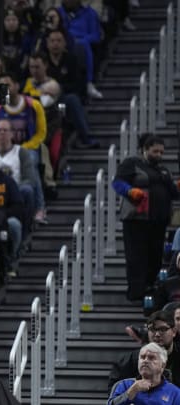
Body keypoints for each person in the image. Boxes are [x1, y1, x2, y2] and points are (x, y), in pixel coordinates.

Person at [112, 135, 179, 301]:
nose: (159, 155)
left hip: (158, 221)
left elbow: (174, 193)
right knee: (136, 256)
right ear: (145, 149)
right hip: (137, 219)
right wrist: (130, 191)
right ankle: (136, 291)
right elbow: (117, 182)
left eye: (161, 152)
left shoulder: (163, 170)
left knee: (155, 256)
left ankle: (150, 287)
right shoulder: (132, 164)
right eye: (155, 151)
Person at [109, 342, 180, 405]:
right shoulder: (124, 385)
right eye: (142, 357)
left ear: (163, 365)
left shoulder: (175, 393)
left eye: (151, 358)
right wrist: (131, 392)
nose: (145, 361)